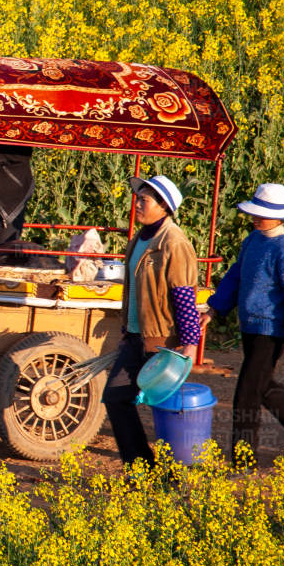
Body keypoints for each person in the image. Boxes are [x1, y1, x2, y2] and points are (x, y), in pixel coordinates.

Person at [204, 183, 284, 457]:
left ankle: (243, 460)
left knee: (246, 394)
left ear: (280, 216)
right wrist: (214, 308)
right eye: (254, 213)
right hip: (250, 327)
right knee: (264, 388)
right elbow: (235, 277)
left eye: (260, 214)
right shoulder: (252, 240)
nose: (255, 218)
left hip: (271, 331)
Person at [102, 174, 204, 467]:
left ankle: (176, 471)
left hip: (162, 340)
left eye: (144, 200)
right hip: (136, 336)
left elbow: (184, 294)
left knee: (166, 407)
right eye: (138, 198)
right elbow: (133, 290)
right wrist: (126, 329)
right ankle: (142, 466)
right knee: (116, 398)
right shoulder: (140, 238)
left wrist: (189, 342)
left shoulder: (174, 241)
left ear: (164, 206)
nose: (137, 204)